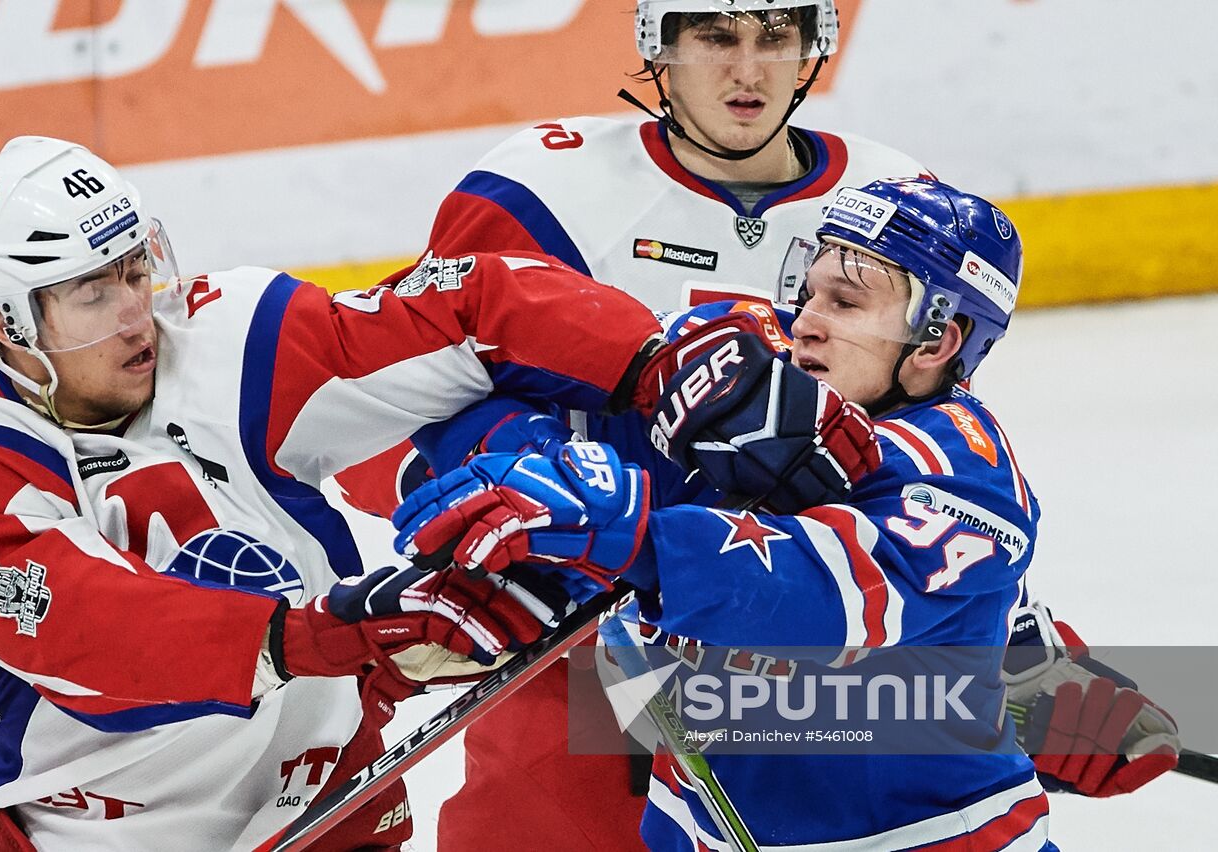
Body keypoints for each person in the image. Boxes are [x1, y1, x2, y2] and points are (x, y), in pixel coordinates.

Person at [0, 137, 872, 851]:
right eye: (94, 293)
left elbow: (475, 308)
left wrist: (660, 367)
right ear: (2, 322)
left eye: (139, 269)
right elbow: (95, 635)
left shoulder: (228, 344)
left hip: (339, 813)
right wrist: (341, 630)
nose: (140, 313)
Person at [333, 3, 1179, 846]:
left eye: (775, 36)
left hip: (781, 672)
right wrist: (545, 486)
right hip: (575, 656)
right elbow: (376, 405)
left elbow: (923, 484)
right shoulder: (538, 193)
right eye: (714, 34)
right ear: (657, 44)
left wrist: (1022, 658)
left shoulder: (882, 199)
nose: (748, 70)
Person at [397, 177, 1062, 850]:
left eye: (847, 302)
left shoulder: (968, 485)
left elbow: (804, 603)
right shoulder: (747, 381)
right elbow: (470, 379)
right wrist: (537, 467)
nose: (806, 319)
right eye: (811, 290)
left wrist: (632, 535)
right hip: (704, 830)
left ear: (938, 340)